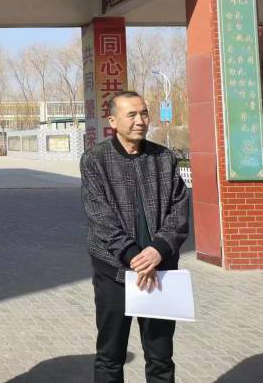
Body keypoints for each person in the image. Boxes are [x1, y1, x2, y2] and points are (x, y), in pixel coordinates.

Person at [80, 91, 190, 383]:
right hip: (115, 273)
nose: (140, 121)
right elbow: (99, 216)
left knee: (160, 357)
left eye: (144, 113)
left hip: (160, 272)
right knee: (110, 356)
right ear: (113, 121)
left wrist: (159, 249)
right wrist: (133, 256)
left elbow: (179, 210)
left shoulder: (164, 158)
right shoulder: (95, 160)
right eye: (131, 115)